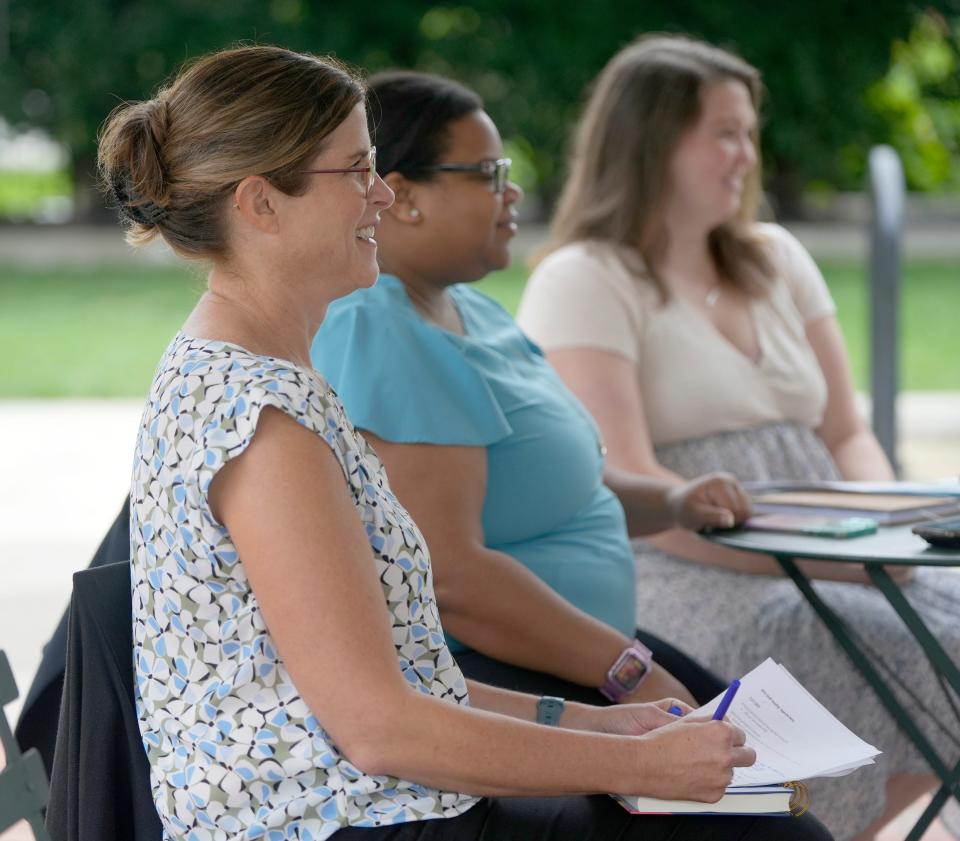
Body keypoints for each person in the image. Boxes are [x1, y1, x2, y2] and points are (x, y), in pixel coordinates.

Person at [101, 45, 831, 841]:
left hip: (376, 807)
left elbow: (406, 681)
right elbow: (379, 728)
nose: (381, 193)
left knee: (760, 816)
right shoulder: (263, 418)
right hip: (343, 824)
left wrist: (601, 726)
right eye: (355, 171)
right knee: (766, 831)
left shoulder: (257, 375)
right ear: (260, 204)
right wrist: (636, 766)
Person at [517, 34, 960, 841]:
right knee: (891, 642)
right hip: (692, 569)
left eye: (749, 133)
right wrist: (833, 554)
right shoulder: (585, 277)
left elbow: (846, 430)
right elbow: (632, 481)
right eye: (724, 133)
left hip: (842, 543)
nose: (747, 155)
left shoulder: (777, 256)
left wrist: (886, 528)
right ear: (652, 144)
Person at [311, 69, 756, 714]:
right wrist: (626, 671)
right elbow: (449, 575)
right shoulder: (379, 328)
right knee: (758, 796)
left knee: (771, 758)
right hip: (494, 681)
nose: (512, 192)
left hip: (578, 657)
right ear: (403, 196)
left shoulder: (470, 309)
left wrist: (676, 502)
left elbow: (554, 496)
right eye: (489, 174)